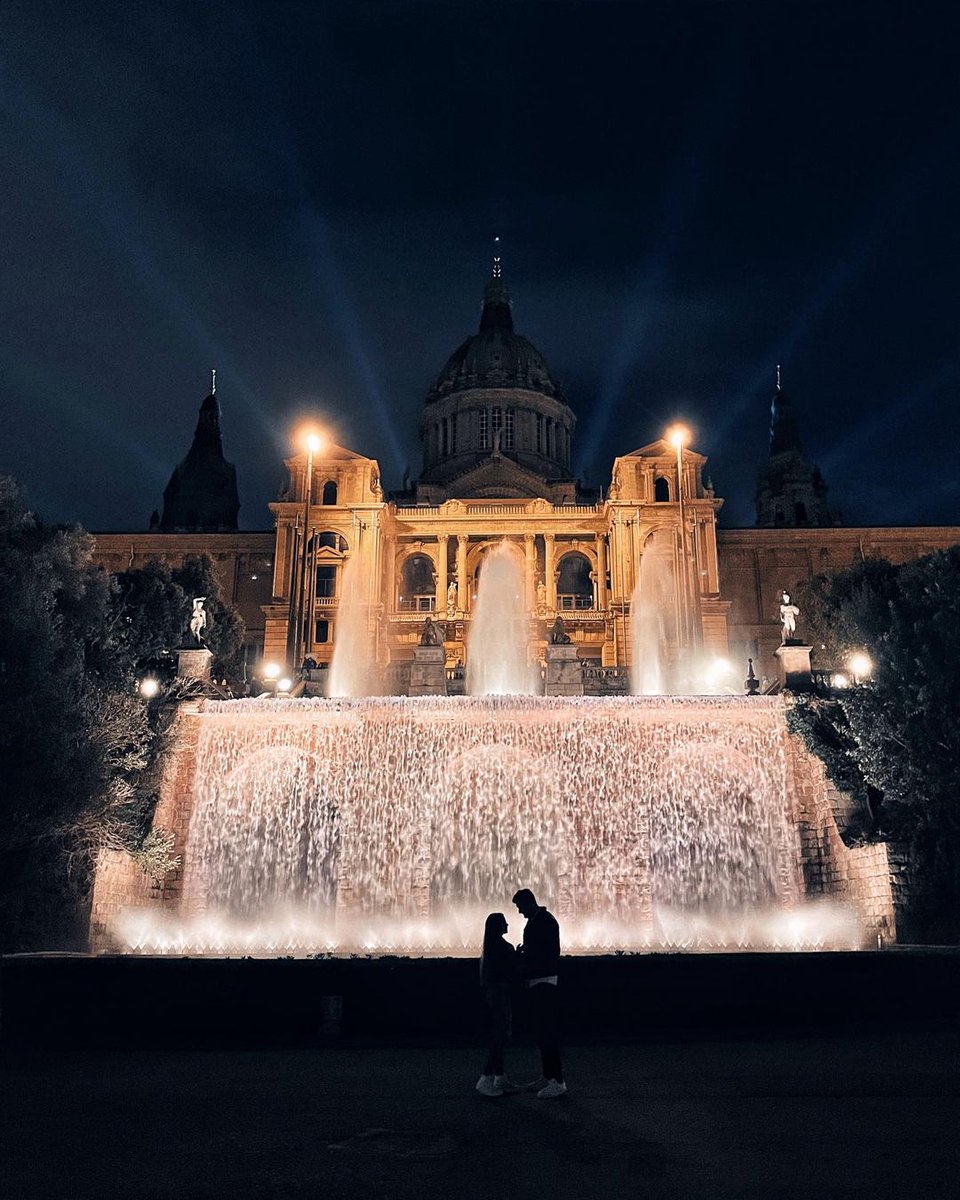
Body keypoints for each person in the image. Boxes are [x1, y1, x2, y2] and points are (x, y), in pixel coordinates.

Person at [513, 888, 566, 1098]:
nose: (519, 912)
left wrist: (526, 964)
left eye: (520, 907)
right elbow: (538, 949)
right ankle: (548, 1076)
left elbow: (549, 952)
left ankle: (558, 1081)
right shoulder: (537, 920)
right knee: (541, 1033)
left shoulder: (545, 921)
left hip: (544, 980)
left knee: (547, 1032)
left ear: (529, 903)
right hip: (538, 979)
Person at [475, 913, 519, 1098]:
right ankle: (485, 1079)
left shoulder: (490, 948)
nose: (507, 924)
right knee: (500, 1036)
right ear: (498, 926)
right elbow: (511, 969)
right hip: (501, 995)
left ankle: (499, 1077)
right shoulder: (503, 947)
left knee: (499, 1035)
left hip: (494, 995)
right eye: (504, 922)